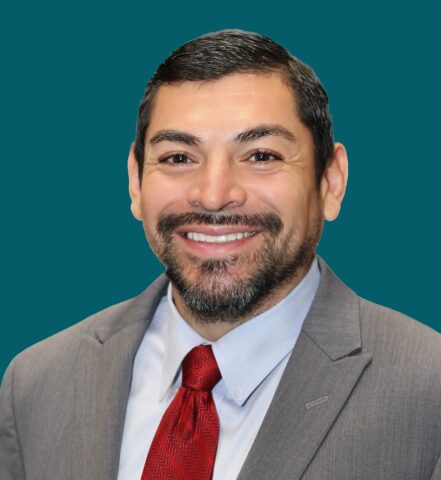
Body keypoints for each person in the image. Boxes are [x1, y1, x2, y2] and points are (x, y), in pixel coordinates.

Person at [1, 29, 441, 480]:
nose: (213, 195)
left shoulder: (430, 391)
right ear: (135, 181)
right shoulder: (35, 383)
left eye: (261, 155)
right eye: (178, 158)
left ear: (331, 181)